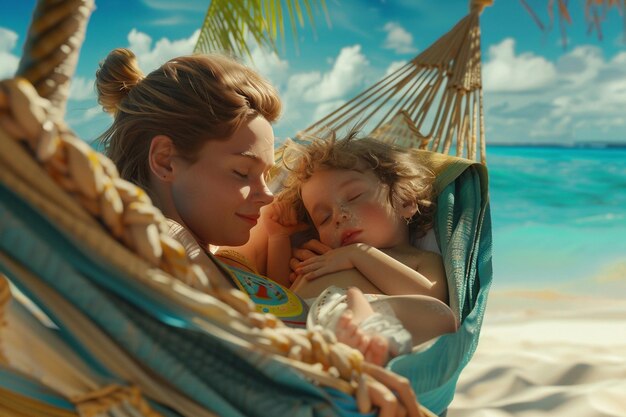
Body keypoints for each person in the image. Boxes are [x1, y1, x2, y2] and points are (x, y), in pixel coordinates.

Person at [95, 48, 424, 416]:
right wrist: (338, 371)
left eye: (267, 175)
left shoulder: (222, 256)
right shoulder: (163, 241)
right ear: (165, 160)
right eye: (242, 172)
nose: (267, 194)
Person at [229, 131, 457, 365]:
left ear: (406, 201)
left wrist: (358, 255)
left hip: (358, 325)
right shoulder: (323, 257)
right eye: (324, 218)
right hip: (296, 327)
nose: (338, 216)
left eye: (354, 196)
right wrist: (278, 238)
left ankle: (369, 342)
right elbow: (280, 296)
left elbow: (431, 296)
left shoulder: (419, 258)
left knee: (440, 317)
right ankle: (364, 344)